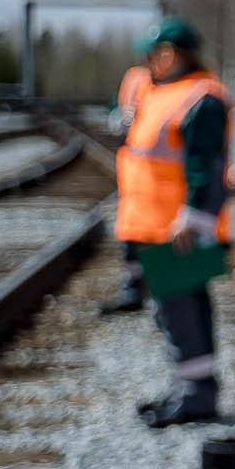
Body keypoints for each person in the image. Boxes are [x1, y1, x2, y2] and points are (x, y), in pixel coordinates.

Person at [115, 17, 235, 427]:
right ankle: (190, 390)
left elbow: (208, 167)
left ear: (169, 55)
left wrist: (194, 218)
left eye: (152, 54)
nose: (147, 63)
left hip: (179, 228)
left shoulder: (201, 99)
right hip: (157, 225)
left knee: (182, 313)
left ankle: (198, 397)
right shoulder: (164, 92)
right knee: (175, 313)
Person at [100, 51, 157, 314]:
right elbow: (121, 111)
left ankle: (162, 293)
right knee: (133, 232)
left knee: (161, 236)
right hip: (137, 174)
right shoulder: (136, 78)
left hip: (162, 180)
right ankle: (135, 286)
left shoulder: (181, 86)